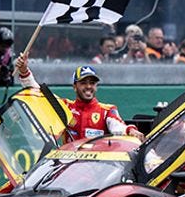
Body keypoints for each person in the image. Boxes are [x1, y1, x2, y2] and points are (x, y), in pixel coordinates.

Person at [15, 54, 145, 141]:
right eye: (83, 83)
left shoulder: (106, 110)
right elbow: (37, 93)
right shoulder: (65, 107)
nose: (88, 86)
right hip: (69, 170)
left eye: (92, 83)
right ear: (74, 87)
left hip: (99, 171)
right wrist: (24, 70)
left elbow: (118, 126)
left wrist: (130, 131)